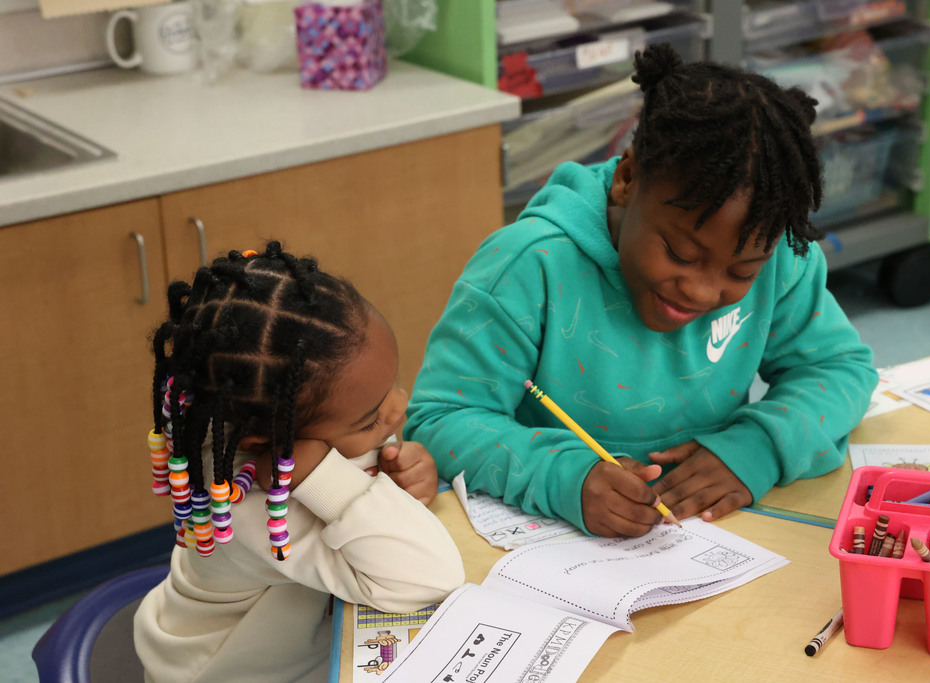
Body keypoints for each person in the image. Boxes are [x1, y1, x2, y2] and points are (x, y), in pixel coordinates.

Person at [405, 44, 879, 539]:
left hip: (713, 534)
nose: (699, 289)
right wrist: (564, 476)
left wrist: (759, 447)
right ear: (627, 179)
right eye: (679, 253)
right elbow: (441, 418)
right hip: (548, 536)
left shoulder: (780, 257)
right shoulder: (529, 264)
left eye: (740, 274)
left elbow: (840, 368)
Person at [134, 242, 464, 682]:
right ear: (267, 441)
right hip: (231, 672)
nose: (400, 408)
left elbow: (355, 456)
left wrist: (396, 470)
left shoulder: (284, 418)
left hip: (295, 647)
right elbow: (430, 576)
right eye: (372, 419)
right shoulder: (253, 503)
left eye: (394, 385)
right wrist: (337, 483)